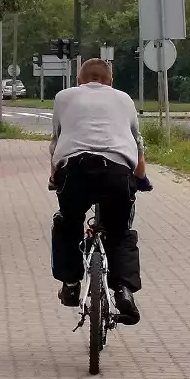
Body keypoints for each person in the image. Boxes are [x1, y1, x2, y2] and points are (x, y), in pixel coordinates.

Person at [49, 58, 153, 325]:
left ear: (79, 80)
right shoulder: (125, 100)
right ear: (111, 82)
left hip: (75, 171)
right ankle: (125, 291)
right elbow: (137, 144)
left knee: (67, 223)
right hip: (117, 174)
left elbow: (57, 142)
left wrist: (54, 178)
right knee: (120, 234)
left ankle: (71, 283)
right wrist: (141, 180)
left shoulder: (64, 97)